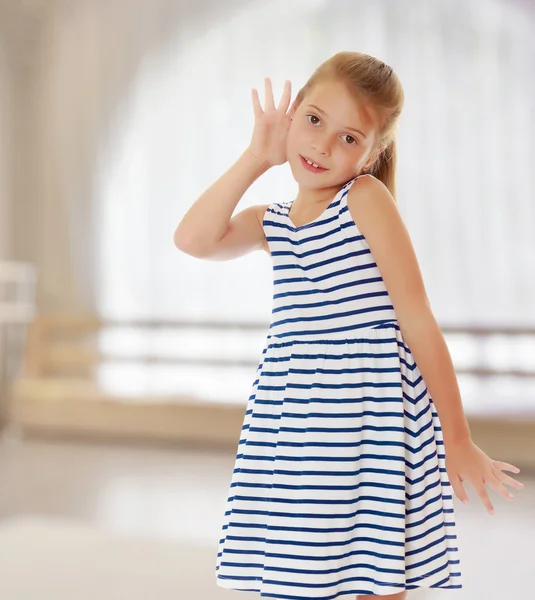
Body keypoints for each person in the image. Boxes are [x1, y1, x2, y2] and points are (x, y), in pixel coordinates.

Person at [174, 51, 524, 600]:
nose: (322, 146)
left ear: (373, 153)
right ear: (291, 118)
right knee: (301, 563)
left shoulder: (364, 200)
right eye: (313, 121)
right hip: (296, 419)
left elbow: (417, 322)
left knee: (375, 572)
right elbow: (193, 240)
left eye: (349, 138)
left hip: (371, 413)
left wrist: (457, 438)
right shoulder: (273, 223)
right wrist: (255, 156)